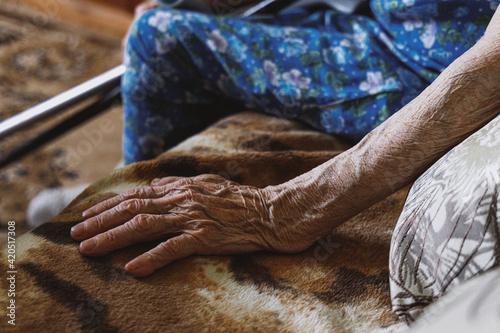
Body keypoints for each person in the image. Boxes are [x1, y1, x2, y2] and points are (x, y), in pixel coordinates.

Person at [70, 0, 500, 278]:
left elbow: (491, 68)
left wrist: (277, 212)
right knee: (175, 14)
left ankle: (126, 195)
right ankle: (133, 200)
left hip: (435, 67)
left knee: (159, 39)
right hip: (385, 17)